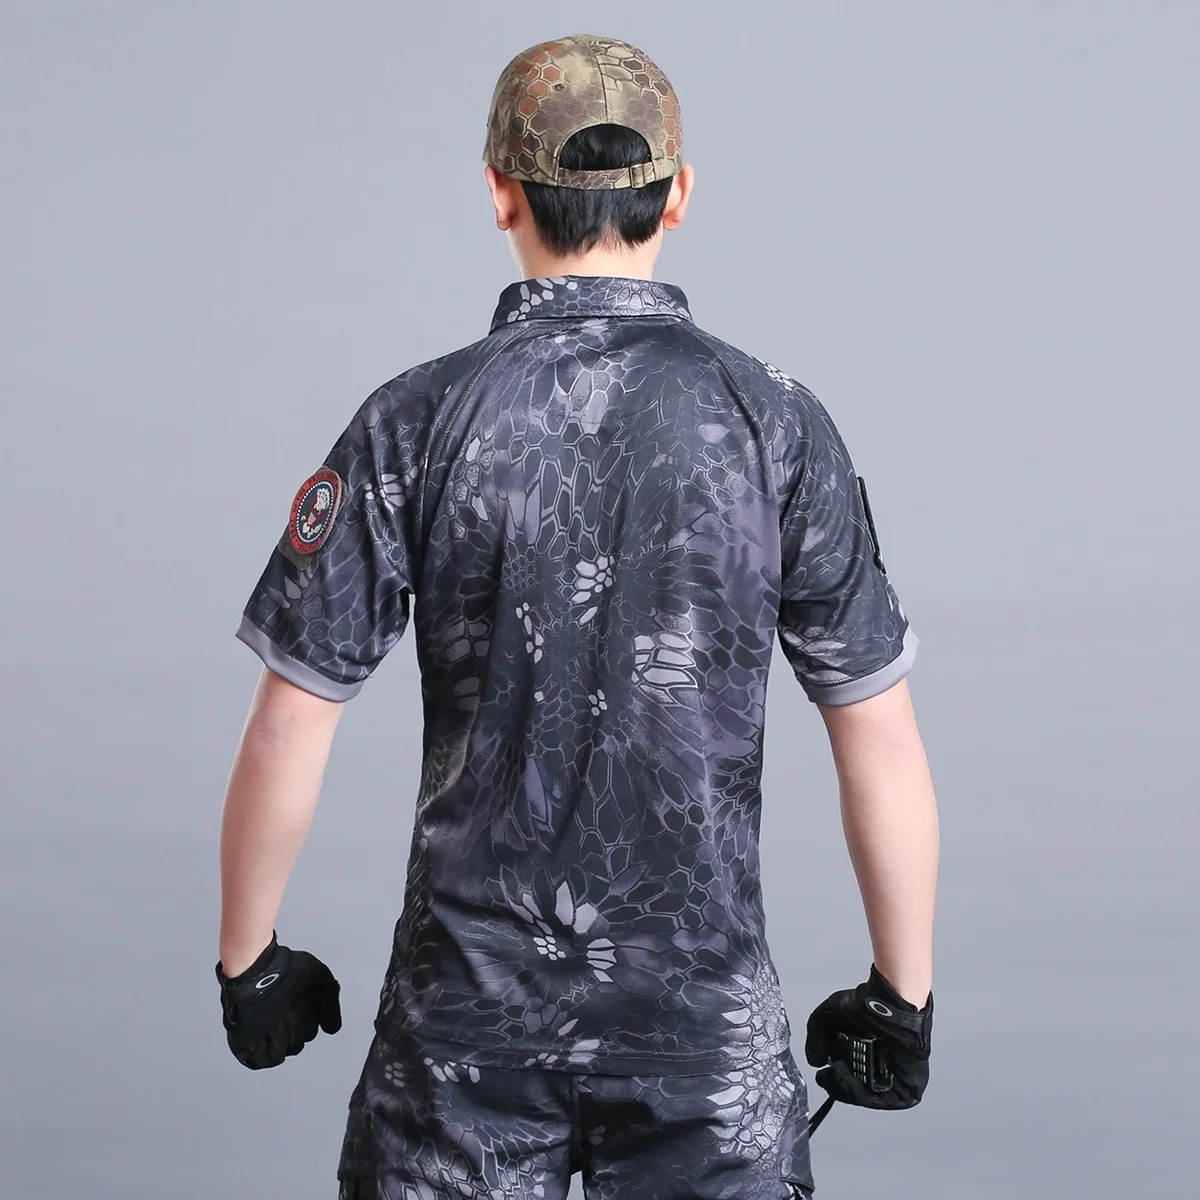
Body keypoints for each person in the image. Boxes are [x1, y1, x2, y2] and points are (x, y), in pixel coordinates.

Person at [215, 33, 940, 1200]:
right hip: (704, 1040)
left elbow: (289, 719)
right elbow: (881, 735)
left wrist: (249, 960)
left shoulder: (415, 418)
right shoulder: (778, 422)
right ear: (679, 195)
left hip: (462, 1035)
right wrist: (902, 997)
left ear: (499, 191)